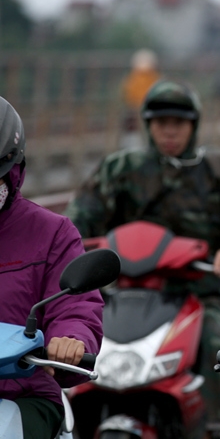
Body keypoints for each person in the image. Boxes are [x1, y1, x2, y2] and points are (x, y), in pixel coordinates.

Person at [64, 81, 220, 438]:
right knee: (77, 338)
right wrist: (73, 252)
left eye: (179, 122)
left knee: (212, 344)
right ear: (148, 125)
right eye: (161, 122)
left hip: (199, 294)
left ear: (194, 125)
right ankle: (70, 420)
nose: (169, 130)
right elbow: (77, 219)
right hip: (124, 292)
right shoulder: (121, 168)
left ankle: (215, 426)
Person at [0, 96, 104, 438]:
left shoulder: (52, 232)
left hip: (22, 393)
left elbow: (75, 304)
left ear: (13, 169)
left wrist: (70, 338)